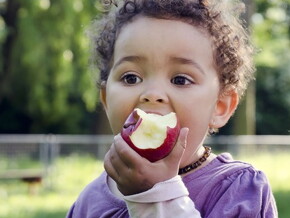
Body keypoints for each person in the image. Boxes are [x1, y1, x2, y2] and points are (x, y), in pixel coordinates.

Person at [66, 0, 278, 217]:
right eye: (131, 77)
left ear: (220, 106)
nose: (153, 94)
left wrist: (154, 196)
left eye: (180, 79)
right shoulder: (89, 201)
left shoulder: (238, 191)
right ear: (106, 99)